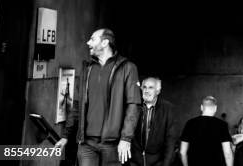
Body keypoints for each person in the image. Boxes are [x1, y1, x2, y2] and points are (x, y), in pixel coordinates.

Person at [55, 28, 142, 166]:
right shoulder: (87, 69)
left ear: (105, 42)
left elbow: (134, 105)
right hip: (86, 144)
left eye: (92, 39)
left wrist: (126, 138)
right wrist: (65, 136)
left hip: (113, 145)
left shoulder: (128, 68)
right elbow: (77, 105)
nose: (88, 42)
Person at [130, 77, 177, 166]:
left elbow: (171, 140)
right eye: (144, 87)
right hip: (134, 162)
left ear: (158, 91)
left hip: (157, 163)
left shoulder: (168, 108)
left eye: (151, 87)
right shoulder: (133, 106)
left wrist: (166, 164)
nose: (146, 90)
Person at [180, 96, 233, 166]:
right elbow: (228, 153)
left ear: (201, 107)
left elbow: (182, 152)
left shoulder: (190, 123)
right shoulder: (222, 125)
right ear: (215, 108)